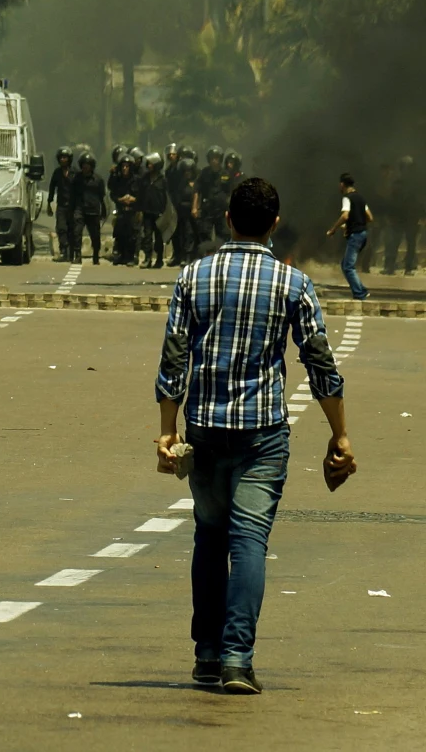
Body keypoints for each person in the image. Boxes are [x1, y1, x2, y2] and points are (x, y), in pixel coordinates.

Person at [155, 177, 353, 695]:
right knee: (248, 542)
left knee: (209, 535)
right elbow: (320, 363)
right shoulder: (293, 284)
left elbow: (174, 358)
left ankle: (206, 655)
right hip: (262, 434)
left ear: (227, 220)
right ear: (275, 224)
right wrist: (340, 435)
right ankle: (237, 661)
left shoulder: (192, 276)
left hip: (203, 430)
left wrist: (165, 431)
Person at [327, 172, 374, 300]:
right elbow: (369, 217)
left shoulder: (347, 198)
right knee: (346, 264)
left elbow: (345, 216)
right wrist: (354, 224)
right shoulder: (360, 198)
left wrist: (333, 229)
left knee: (348, 266)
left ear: (342, 184)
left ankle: (360, 293)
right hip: (363, 233)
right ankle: (361, 290)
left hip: (356, 235)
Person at [383, 157, 420, 275]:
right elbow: (392, 200)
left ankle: (401, 267)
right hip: (403, 217)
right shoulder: (403, 182)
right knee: (397, 242)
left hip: (406, 217)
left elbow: (419, 201)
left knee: (401, 242)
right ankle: (397, 267)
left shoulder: (410, 183)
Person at [69, 153, 106, 264]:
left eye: (88, 165)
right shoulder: (77, 179)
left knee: (95, 235)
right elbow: (73, 195)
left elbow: (102, 197)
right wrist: (71, 210)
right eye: (84, 165)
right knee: (77, 232)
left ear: (92, 166)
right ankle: (78, 255)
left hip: (94, 211)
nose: (86, 167)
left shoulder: (98, 180)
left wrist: (103, 210)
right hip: (80, 209)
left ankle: (96, 255)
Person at [193, 147, 230, 253]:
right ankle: (208, 255)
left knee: (223, 234)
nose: (214, 160)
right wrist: (194, 207)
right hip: (207, 209)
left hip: (221, 210)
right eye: (212, 158)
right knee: (204, 232)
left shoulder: (226, 174)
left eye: (217, 158)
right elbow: (196, 189)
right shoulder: (204, 173)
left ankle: (221, 255)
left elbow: (231, 192)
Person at [109, 154, 140, 266]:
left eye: (127, 166)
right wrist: (120, 199)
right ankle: (120, 255)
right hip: (121, 210)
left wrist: (134, 199)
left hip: (133, 211)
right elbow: (112, 192)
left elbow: (142, 195)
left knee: (133, 235)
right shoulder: (117, 179)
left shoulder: (137, 180)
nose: (124, 168)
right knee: (119, 233)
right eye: (123, 166)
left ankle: (132, 256)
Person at [139, 153, 168, 269]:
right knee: (147, 236)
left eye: (151, 163)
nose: (149, 165)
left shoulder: (163, 180)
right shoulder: (144, 178)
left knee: (159, 238)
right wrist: (139, 210)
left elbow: (166, 197)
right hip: (147, 212)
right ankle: (147, 258)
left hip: (159, 213)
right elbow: (140, 195)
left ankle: (159, 259)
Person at [48, 147, 76, 262]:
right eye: (61, 158)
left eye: (65, 158)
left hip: (73, 206)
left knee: (73, 229)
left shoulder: (75, 172)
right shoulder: (57, 173)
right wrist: (49, 202)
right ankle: (64, 251)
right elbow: (52, 187)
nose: (63, 160)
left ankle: (73, 252)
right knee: (61, 228)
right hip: (61, 205)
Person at [169, 157, 198, 267]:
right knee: (182, 234)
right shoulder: (180, 184)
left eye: (189, 171)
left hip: (194, 213)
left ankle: (190, 256)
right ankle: (181, 256)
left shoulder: (197, 183)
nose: (187, 174)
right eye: (185, 171)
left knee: (191, 234)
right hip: (181, 213)